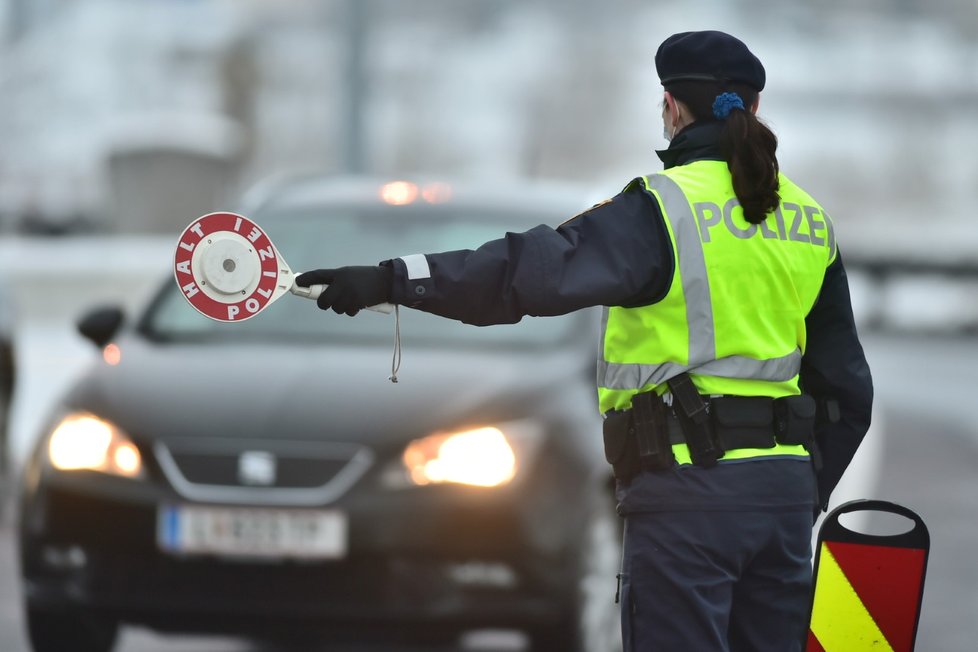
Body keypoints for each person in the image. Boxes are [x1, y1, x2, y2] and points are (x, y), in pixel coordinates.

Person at [296, 30, 873, 652]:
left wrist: (392, 279)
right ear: (754, 109)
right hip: (782, 500)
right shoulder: (809, 218)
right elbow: (847, 390)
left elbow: (522, 274)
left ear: (672, 107)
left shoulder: (661, 209)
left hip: (687, 501)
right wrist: (802, 489)